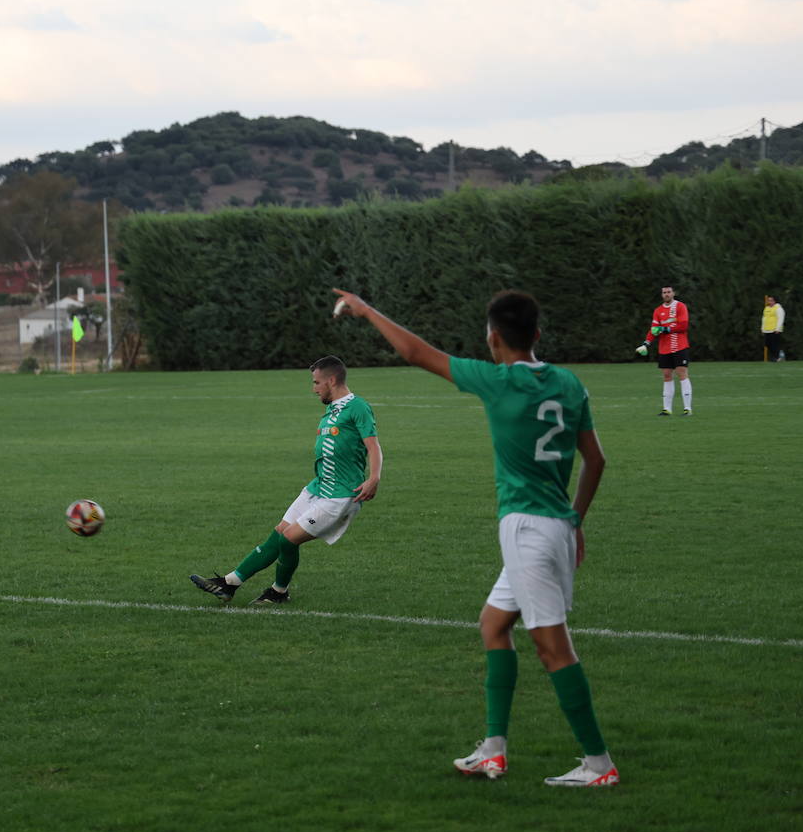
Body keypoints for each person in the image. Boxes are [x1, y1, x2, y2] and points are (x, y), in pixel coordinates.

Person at [332, 287, 618, 788]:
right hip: (554, 526)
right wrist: (575, 521)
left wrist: (366, 309)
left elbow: (417, 353)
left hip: (528, 529)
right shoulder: (570, 384)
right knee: (493, 625)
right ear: (537, 334)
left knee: (553, 649)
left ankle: (599, 765)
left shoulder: (498, 380)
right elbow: (595, 460)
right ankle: (494, 750)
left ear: (492, 339)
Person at [189, 355, 382, 605]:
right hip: (319, 486)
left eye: (316, 383)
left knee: (289, 538)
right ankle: (229, 583)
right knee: (280, 531)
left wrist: (374, 478)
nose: (314, 389)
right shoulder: (333, 409)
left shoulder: (357, 407)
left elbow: (373, 445)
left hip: (341, 493)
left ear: (331, 380)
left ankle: (279, 592)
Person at [634, 285, 692, 416]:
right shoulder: (658, 311)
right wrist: (646, 344)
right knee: (666, 375)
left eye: (669, 292)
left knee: (682, 374)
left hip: (680, 346)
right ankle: (667, 409)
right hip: (664, 348)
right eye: (664, 292)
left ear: (673, 293)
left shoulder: (680, 306)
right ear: (662, 295)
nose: (666, 294)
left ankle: (687, 408)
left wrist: (665, 329)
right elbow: (654, 329)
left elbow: (683, 325)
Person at [762, 295, 785, 362]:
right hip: (767, 330)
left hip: (775, 330)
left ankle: (777, 357)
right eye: (769, 300)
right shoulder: (766, 308)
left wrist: (778, 328)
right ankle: (774, 357)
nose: (769, 302)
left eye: (771, 300)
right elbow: (764, 318)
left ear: (775, 301)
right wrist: (763, 328)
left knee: (775, 345)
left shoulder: (778, 308)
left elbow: (781, 318)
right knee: (768, 344)